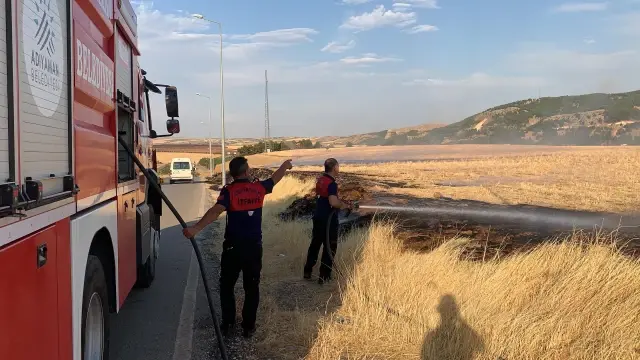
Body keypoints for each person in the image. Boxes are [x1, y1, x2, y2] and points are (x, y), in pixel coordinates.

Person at [182, 156, 293, 338]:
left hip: (232, 248)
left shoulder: (229, 191)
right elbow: (275, 179)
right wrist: (284, 165)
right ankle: (248, 327)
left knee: (226, 286)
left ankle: (228, 324)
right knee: (252, 287)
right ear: (247, 171)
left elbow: (215, 211)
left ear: (233, 174)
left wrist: (195, 228)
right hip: (254, 248)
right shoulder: (259, 188)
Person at [303, 158, 352, 284]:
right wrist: (345, 206)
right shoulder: (332, 183)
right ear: (334, 167)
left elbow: (325, 198)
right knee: (330, 247)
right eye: (338, 166)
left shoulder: (321, 180)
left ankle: (307, 271)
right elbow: (333, 202)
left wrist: (341, 202)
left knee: (315, 245)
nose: (339, 168)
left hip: (318, 218)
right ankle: (324, 277)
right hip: (328, 221)